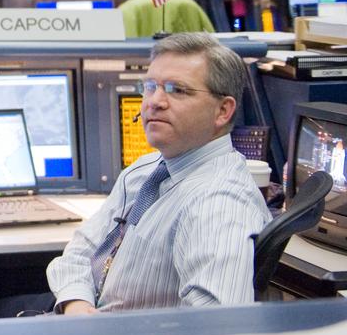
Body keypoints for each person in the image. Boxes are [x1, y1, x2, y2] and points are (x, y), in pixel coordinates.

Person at [44, 33, 270, 314]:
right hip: (84, 315)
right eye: (150, 87)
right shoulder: (145, 170)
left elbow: (218, 324)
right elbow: (82, 249)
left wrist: (98, 331)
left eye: (177, 90)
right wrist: (77, 303)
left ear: (223, 110)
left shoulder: (218, 202)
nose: (155, 101)